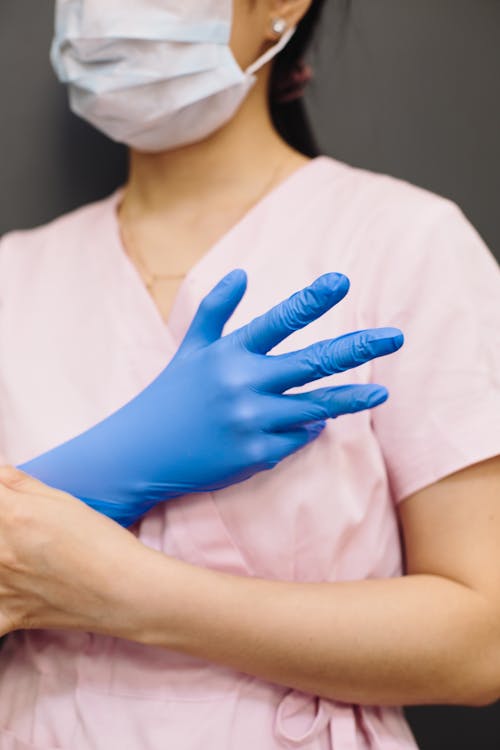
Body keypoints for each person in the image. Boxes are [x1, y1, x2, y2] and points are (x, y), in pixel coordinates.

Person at [0, 1, 499, 748]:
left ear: (281, 6)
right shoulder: (14, 274)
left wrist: (122, 590)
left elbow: (481, 641)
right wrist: (98, 472)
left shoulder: (402, 239)